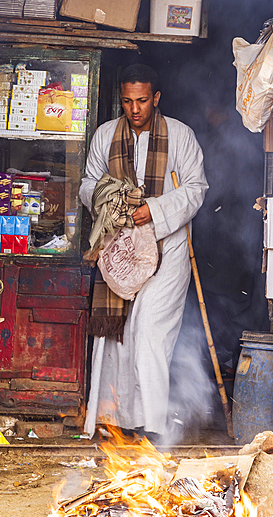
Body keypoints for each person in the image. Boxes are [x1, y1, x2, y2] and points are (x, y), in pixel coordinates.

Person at [79, 63, 208, 442]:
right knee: (117, 336)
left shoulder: (181, 136)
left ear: (156, 98)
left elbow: (197, 189)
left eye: (141, 101)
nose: (134, 109)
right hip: (120, 250)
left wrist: (153, 210)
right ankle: (117, 421)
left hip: (168, 250)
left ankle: (152, 425)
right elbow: (88, 184)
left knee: (148, 330)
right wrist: (109, 200)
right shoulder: (105, 135)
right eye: (127, 102)